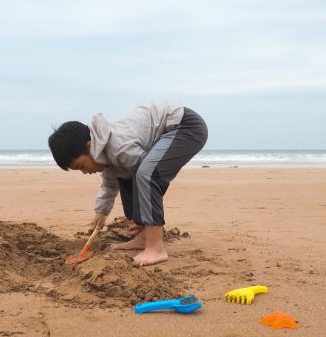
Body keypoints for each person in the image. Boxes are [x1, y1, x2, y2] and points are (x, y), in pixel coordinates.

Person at [48, 102, 208, 266]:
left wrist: (141, 218)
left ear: (90, 147)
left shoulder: (118, 146)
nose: (85, 172)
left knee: (145, 174)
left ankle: (155, 248)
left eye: (82, 165)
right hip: (165, 136)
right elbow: (109, 185)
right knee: (126, 177)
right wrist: (101, 212)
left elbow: (152, 177)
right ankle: (145, 238)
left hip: (185, 127)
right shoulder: (105, 156)